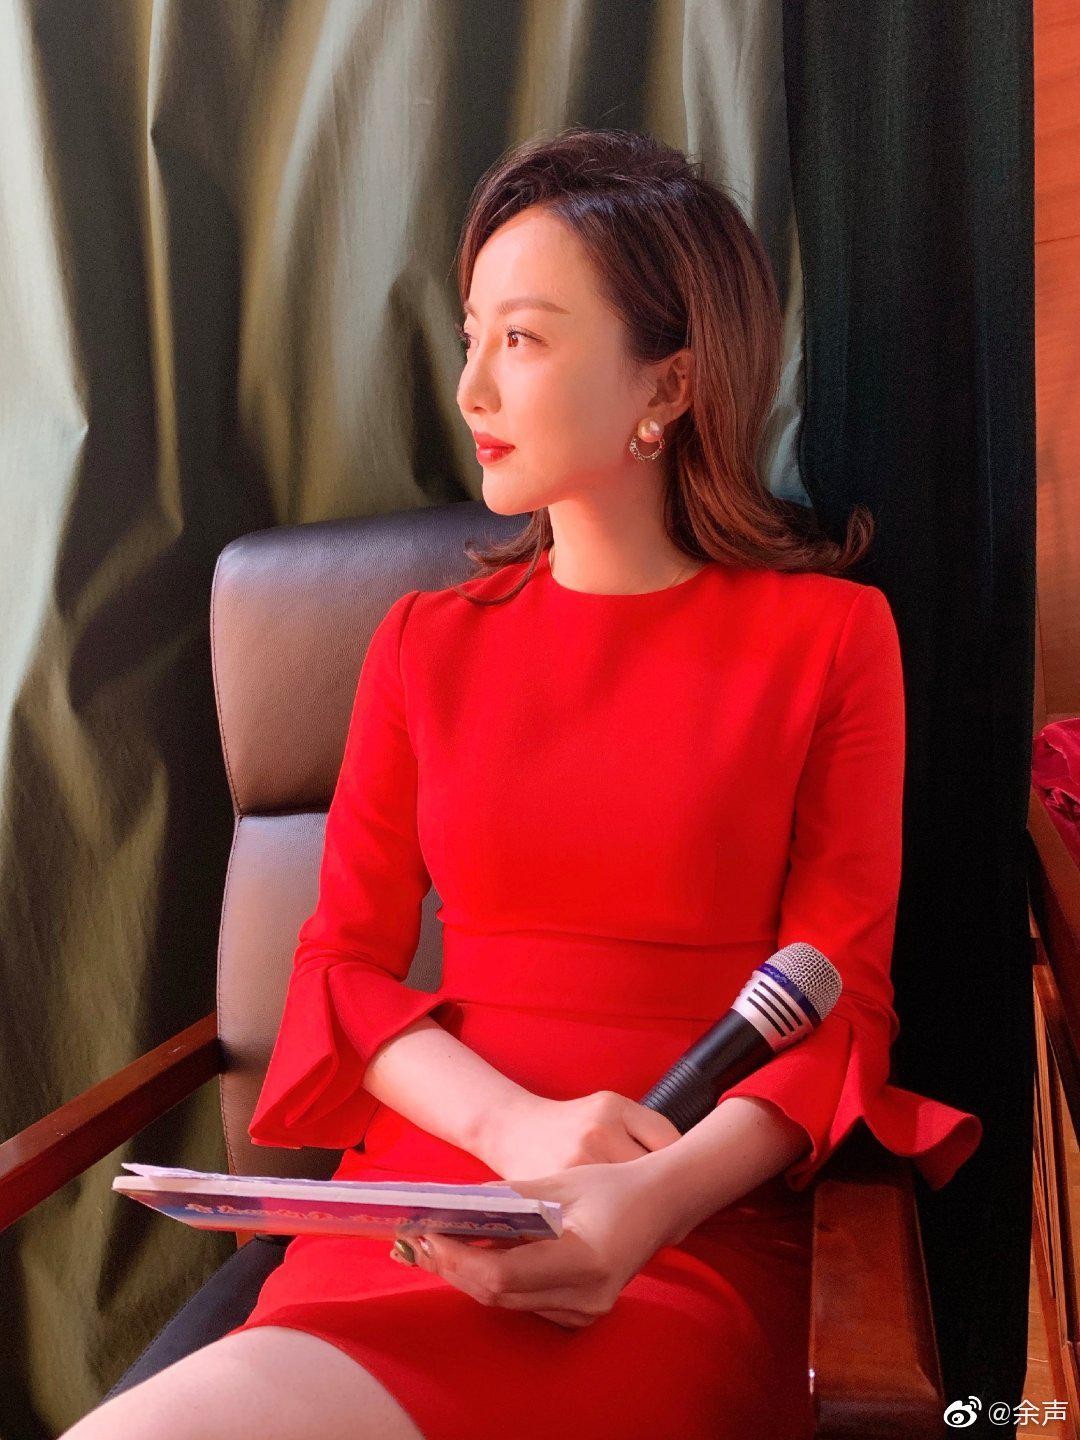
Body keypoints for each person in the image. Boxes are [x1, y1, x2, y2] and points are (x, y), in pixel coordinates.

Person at [63, 125, 983, 1440]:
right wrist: (513, 1135)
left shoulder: (833, 639)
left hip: (691, 1219)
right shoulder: (420, 646)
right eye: (471, 336)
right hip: (432, 1205)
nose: (471, 387)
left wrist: (642, 1204)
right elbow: (339, 968)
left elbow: (840, 999)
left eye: (524, 339)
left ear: (669, 381)